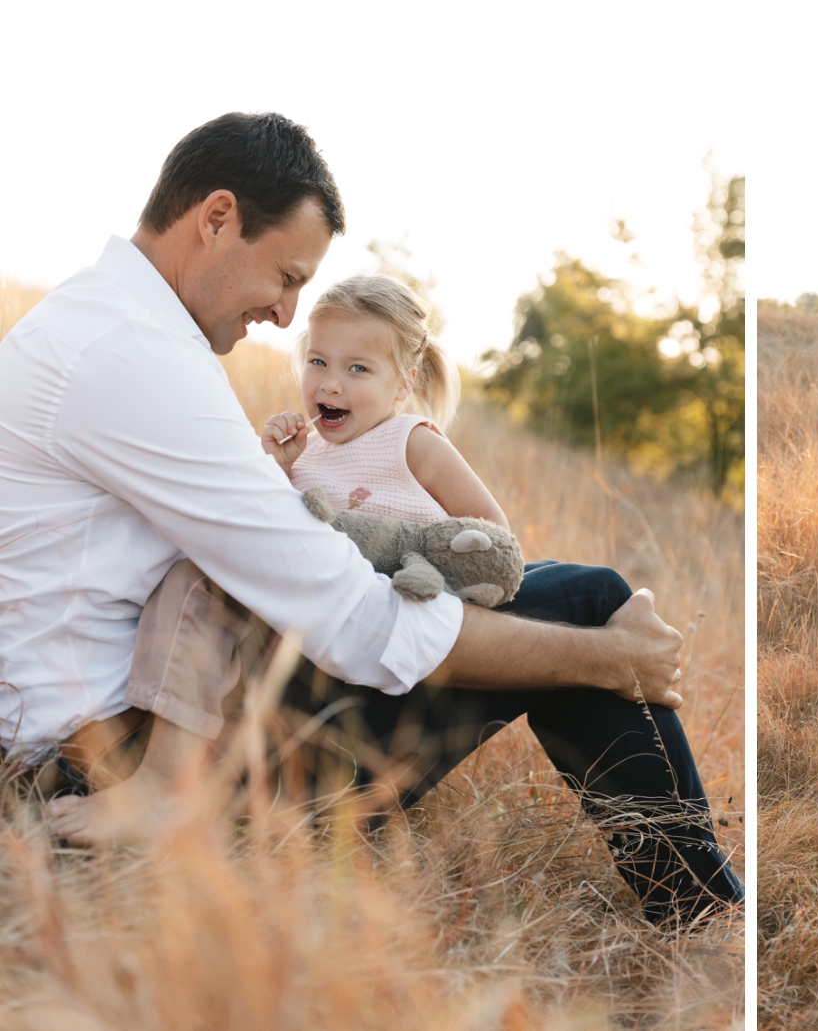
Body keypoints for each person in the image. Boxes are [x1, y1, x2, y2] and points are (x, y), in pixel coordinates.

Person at [0, 111, 742, 924]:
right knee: (587, 603)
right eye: (285, 276)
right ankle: (705, 917)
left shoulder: (87, 324)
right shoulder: (137, 357)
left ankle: (698, 900)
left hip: (120, 736)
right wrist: (604, 662)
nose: (286, 316)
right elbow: (356, 622)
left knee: (574, 600)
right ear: (216, 219)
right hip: (117, 767)